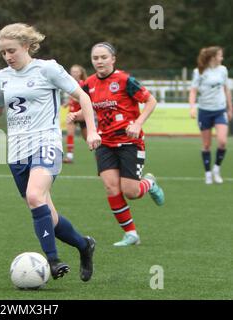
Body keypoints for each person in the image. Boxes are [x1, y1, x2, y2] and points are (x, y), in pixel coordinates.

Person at [0, 23, 101, 281]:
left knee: (34, 196)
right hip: (17, 152)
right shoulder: (3, 76)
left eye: (12, 50)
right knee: (48, 215)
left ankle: (52, 261)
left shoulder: (47, 69)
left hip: (46, 143)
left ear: (26, 46)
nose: (8, 56)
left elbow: (83, 96)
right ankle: (84, 245)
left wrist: (91, 130)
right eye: (3, 52)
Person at [68, 42, 165, 247]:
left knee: (131, 191)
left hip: (130, 142)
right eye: (95, 58)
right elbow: (87, 108)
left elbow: (151, 101)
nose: (99, 61)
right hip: (104, 142)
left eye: (104, 57)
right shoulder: (89, 84)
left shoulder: (124, 80)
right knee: (111, 188)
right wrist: (76, 115)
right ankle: (131, 234)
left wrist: (138, 124)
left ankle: (150, 183)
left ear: (113, 59)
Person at [189, 46, 232, 184]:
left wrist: (230, 108)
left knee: (222, 141)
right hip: (205, 111)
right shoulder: (199, 72)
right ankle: (208, 173)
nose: (222, 58)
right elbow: (193, 91)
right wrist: (192, 107)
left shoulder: (223, 70)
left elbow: (226, 90)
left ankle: (216, 169)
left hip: (220, 110)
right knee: (206, 145)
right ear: (213, 57)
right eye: (220, 55)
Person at [63, 64, 88, 164]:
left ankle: (101, 153)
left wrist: (74, 99)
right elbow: (73, 98)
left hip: (82, 114)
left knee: (87, 137)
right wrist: (67, 103)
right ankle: (69, 156)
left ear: (80, 73)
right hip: (72, 113)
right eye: (72, 71)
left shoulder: (83, 84)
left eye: (76, 71)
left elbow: (84, 98)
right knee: (70, 134)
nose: (74, 73)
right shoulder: (70, 83)